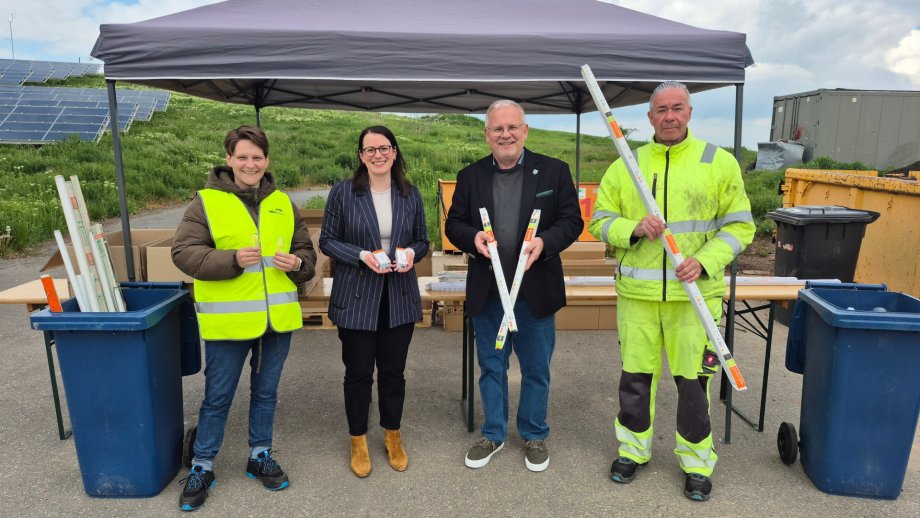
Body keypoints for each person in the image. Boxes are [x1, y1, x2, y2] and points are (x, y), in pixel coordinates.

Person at [588, 82, 755, 501]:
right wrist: (632, 229)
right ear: (649, 118)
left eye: (676, 108)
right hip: (638, 299)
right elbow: (599, 221)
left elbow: (740, 226)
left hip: (694, 298)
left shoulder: (718, 162)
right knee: (635, 381)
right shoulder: (627, 164)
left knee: (693, 386)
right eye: (660, 109)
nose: (669, 116)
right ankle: (633, 451)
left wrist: (706, 260)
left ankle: (697, 463)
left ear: (690, 112)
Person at [172, 125, 317, 511]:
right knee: (217, 397)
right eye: (242, 157)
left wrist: (300, 263)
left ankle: (259, 455)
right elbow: (183, 253)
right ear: (229, 160)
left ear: (266, 161)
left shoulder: (283, 203)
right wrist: (231, 259)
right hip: (229, 323)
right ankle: (203, 464)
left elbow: (306, 255)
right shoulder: (206, 203)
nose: (250, 164)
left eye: (257, 157)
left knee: (266, 393)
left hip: (276, 323)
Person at [445, 100, 583, 472]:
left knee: (537, 368)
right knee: (492, 366)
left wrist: (546, 242)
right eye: (497, 129)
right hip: (489, 293)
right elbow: (453, 224)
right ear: (487, 134)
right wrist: (472, 237)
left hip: (534, 292)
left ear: (525, 131)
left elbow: (572, 221)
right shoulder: (470, 176)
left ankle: (534, 434)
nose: (505, 134)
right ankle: (493, 433)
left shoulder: (554, 172)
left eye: (512, 127)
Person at [319, 126, 429, 478]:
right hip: (356, 297)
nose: (378, 155)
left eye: (384, 148)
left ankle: (393, 436)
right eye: (370, 150)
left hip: (399, 297)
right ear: (361, 156)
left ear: (395, 152)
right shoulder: (343, 193)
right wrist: (362, 255)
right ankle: (358, 440)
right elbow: (328, 241)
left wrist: (412, 252)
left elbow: (423, 240)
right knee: (358, 373)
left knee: (394, 374)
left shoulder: (410, 194)